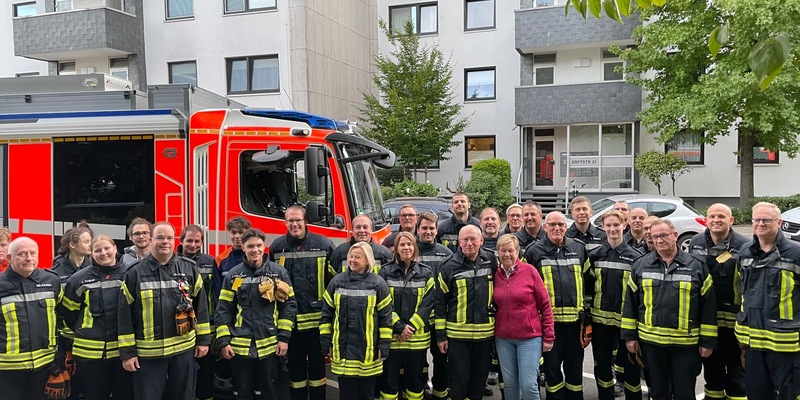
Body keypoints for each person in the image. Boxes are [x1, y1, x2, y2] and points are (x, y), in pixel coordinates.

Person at [621, 219, 717, 400]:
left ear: (675, 236)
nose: (659, 240)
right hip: (651, 344)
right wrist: (629, 336)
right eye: (654, 237)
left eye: (663, 235)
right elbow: (630, 304)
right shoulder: (640, 265)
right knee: (657, 392)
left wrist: (707, 341)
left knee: (684, 393)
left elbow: (708, 308)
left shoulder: (696, 266)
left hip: (685, 345)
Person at [117, 222, 212, 400]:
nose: (165, 241)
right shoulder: (134, 273)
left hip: (184, 350)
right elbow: (124, 316)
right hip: (149, 355)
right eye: (160, 237)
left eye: (169, 237)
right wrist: (128, 354)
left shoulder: (189, 268)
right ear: (151, 240)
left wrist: (203, 341)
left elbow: (201, 307)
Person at [215, 228, 297, 400]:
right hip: (240, 347)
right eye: (250, 246)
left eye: (259, 245)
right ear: (243, 248)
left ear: (264, 246)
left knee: (269, 392)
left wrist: (284, 338)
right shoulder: (233, 275)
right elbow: (223, 309)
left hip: (270, 346)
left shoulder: (278, 272)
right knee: (243, 392)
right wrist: (223, 342)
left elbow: (288, 306)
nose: (255, 250)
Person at [735, 202, 800, 399]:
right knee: (757, 394)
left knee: (789, 394)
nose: (760, 224)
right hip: (753, 342)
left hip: (785, 344)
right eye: (756, 220)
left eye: (766, 220)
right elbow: (740, 290)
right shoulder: (745, 252)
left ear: (778, 223)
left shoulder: (795, 254)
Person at [269, 205, 335, 400]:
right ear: (285, 222)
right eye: (290, 220)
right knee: (295, 372)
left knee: (318, 372)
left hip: (317, 324)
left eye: (298, 220)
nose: (294, 224)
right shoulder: (277, 247)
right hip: (291, 324)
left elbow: (334, 284)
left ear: (305, 221)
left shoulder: (324, 245)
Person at [524, 211, 589, 400]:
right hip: (549, 325)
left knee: (575, 370)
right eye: (552, 224)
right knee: (552, 370)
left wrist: (587, 315)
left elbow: (588, 283)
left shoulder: (579, 248)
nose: (557, 228)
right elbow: (527, 288)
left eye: (560, 224)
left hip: (575, 324)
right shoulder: (533, 251)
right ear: (545, 227)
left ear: (566, 227)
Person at [59, 235, 133, 400]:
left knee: (124, 394)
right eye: (97, 250)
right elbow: (69, 312)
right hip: (89, 355)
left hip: (122, 353)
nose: (103, 253)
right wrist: (84, 330)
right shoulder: (78, 280)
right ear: (91, 253)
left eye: (107, 248)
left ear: (115, 248)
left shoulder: (130, 274)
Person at [686, 203, 748, 400]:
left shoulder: (744, 246)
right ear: (706, 220)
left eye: (721, 216)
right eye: (712, 216)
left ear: (731, 220)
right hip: (707, 321)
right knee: (712, 371)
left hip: (734, 323)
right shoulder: (696, 242)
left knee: (737, 373)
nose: (716, 220)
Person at [320, 242, 392, 400]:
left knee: (366, 394)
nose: (352, 260)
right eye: (351, 256)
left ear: (367, 260)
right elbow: (326, 315)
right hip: (342, 350)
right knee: (346, 394)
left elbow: (386, 319)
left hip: (368, 352)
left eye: (357, 257)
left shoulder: (378, 284)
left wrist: (384, 345)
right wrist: (325, 340)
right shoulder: (336, 282)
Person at [434, 225, 497, 400]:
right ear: (459, 242)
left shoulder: (491, 260)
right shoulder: (448, 266)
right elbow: (440, 303)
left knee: (479, 382)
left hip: (485, 335)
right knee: (458, 382)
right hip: (458, 337)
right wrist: (441, 336)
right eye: (465, 240)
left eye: (473, 239)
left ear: (481, 240)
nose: (469, 243)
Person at [586, 211, 643, 400]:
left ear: (624, 225)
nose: (612, 229)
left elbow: (640, 294)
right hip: (600, 323)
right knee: (602, 366)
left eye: (616, 225)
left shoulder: (636, 257)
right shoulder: (595, 256)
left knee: (630, 366)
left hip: (626, 323)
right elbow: (588, 288)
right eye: (608, 225)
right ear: (603, 227)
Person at [493, 233, 554, 400]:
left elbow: (545, 305)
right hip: (503, 339)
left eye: (510, 250)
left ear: (517, 251)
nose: (507, 254)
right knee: (509, 384)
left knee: (528, 385)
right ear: (498, 252)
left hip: (529, 338)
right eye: (503, 250)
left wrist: (549, 336)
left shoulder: (530, 271)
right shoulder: (494, 274)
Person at [0, 237, 62, 400]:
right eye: (22, 254)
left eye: (33, 253)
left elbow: (62, 318)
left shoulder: (51, 281)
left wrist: (61, 360)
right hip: (7, 371)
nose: (29, 258)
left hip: (45, 367)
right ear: (9, 258)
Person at [378, 232, 435, 400]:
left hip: (417, 339)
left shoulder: (426, 272)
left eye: (409, 244)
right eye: (402, 245)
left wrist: (410, 327)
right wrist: (399, 327)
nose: (406, 248)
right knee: (389, 381)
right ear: (396, 249)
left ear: (415, 248)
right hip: (393, 338)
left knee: (415, 382)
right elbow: (383, 303)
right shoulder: (385, 272)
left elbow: (428, 303)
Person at [177, 225, 218, 400]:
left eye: (197, 241)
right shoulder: (172, 262)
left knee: (205, 371)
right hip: (181, 326)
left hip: (205, 324)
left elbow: (216, 293)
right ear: (181, 241)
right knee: (182, 373)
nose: (193, 245)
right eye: (189, 241)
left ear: (202, 242)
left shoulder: (210, 261)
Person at [416, 212, 453, 400]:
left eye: (431, 228)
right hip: (417, 317)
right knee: (417, 359)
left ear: (437, 230)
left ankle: (440, 393)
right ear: (417, 230)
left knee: (440, 358)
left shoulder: (446, 253)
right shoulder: (411, 250)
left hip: (439, 317)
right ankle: (420, 389)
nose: (428, 232)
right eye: (424, 228)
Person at [213, 216, 252, 301]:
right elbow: (217, 291)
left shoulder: (256, 257)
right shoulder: (220, 259)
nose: (237, 236)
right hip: (229, 307)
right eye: (233, 232)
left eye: (241, 232)